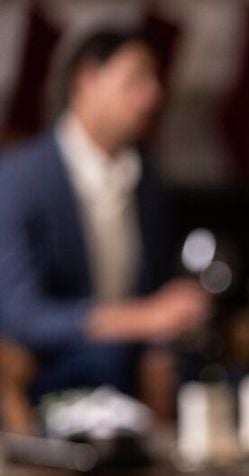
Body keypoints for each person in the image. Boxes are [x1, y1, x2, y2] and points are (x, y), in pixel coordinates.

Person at [0, 29, 209, 402]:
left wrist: (165, 327)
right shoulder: (20, 180)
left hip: (135, 371)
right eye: (136, 78)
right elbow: (23, 315)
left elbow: (152, 290)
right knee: (105, 359)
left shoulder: (146, 181)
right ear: (87, 78)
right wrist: (143, 318)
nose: (153, 94)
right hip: (57, 377)